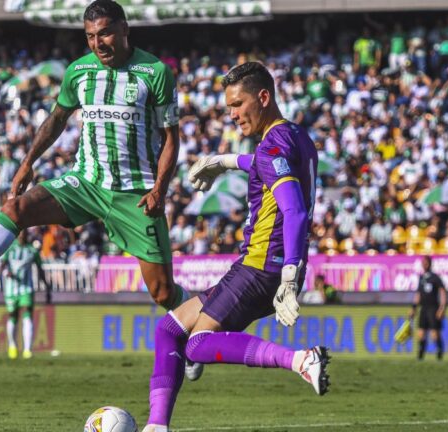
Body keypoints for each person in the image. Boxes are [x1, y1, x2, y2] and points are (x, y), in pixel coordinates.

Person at [0, 0, 188, 312]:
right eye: (90, 36)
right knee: (15, 208)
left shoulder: (154, 73)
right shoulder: (79, 71)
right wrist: (27, 163)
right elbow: (56, 119)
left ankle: (198, 332)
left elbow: (171, 138)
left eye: (105, 33)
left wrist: (159, 190)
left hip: (136, 194)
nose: (98, 43)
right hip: (86, 183)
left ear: (124, 29)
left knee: (163, 293)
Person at [141, 62, 328, 432]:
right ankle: (157, 426)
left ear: (263, 97)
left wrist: (290, 274)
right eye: (228, 107)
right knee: (169, 330)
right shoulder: (292, 135)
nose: (232, 114)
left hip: (263, 265)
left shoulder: (272, 143)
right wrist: (224, 162)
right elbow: (264, 165)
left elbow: (294, 210)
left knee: (196, 344)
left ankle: (301, 360)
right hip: (262, 264)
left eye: (238, 104)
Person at [1, 230, 48, 360]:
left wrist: (46, 286)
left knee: (27, 313)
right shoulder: (10, 249)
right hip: (11, 288)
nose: (22, 236)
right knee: (13, 316)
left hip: (26, 287)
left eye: (24, 233)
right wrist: (6, 273)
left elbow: (39, 269)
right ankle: (12, 345)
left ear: (27, 235)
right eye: (20, 233)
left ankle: (28, 349)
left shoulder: (32, 250)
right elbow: (2, 266)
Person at [409, 256, 447, 360]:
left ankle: (439, 354)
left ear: (430, 264)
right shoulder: (421, 278)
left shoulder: (435, 278)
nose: (424, 264)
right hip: (423, 309)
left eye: (426, 262)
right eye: (423, 263)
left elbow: (443, 292)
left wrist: (442, 308)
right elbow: (418, 294)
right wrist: (414, 308)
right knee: (420, 333)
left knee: (434, 334)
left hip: (433, 308)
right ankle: (420, 357)